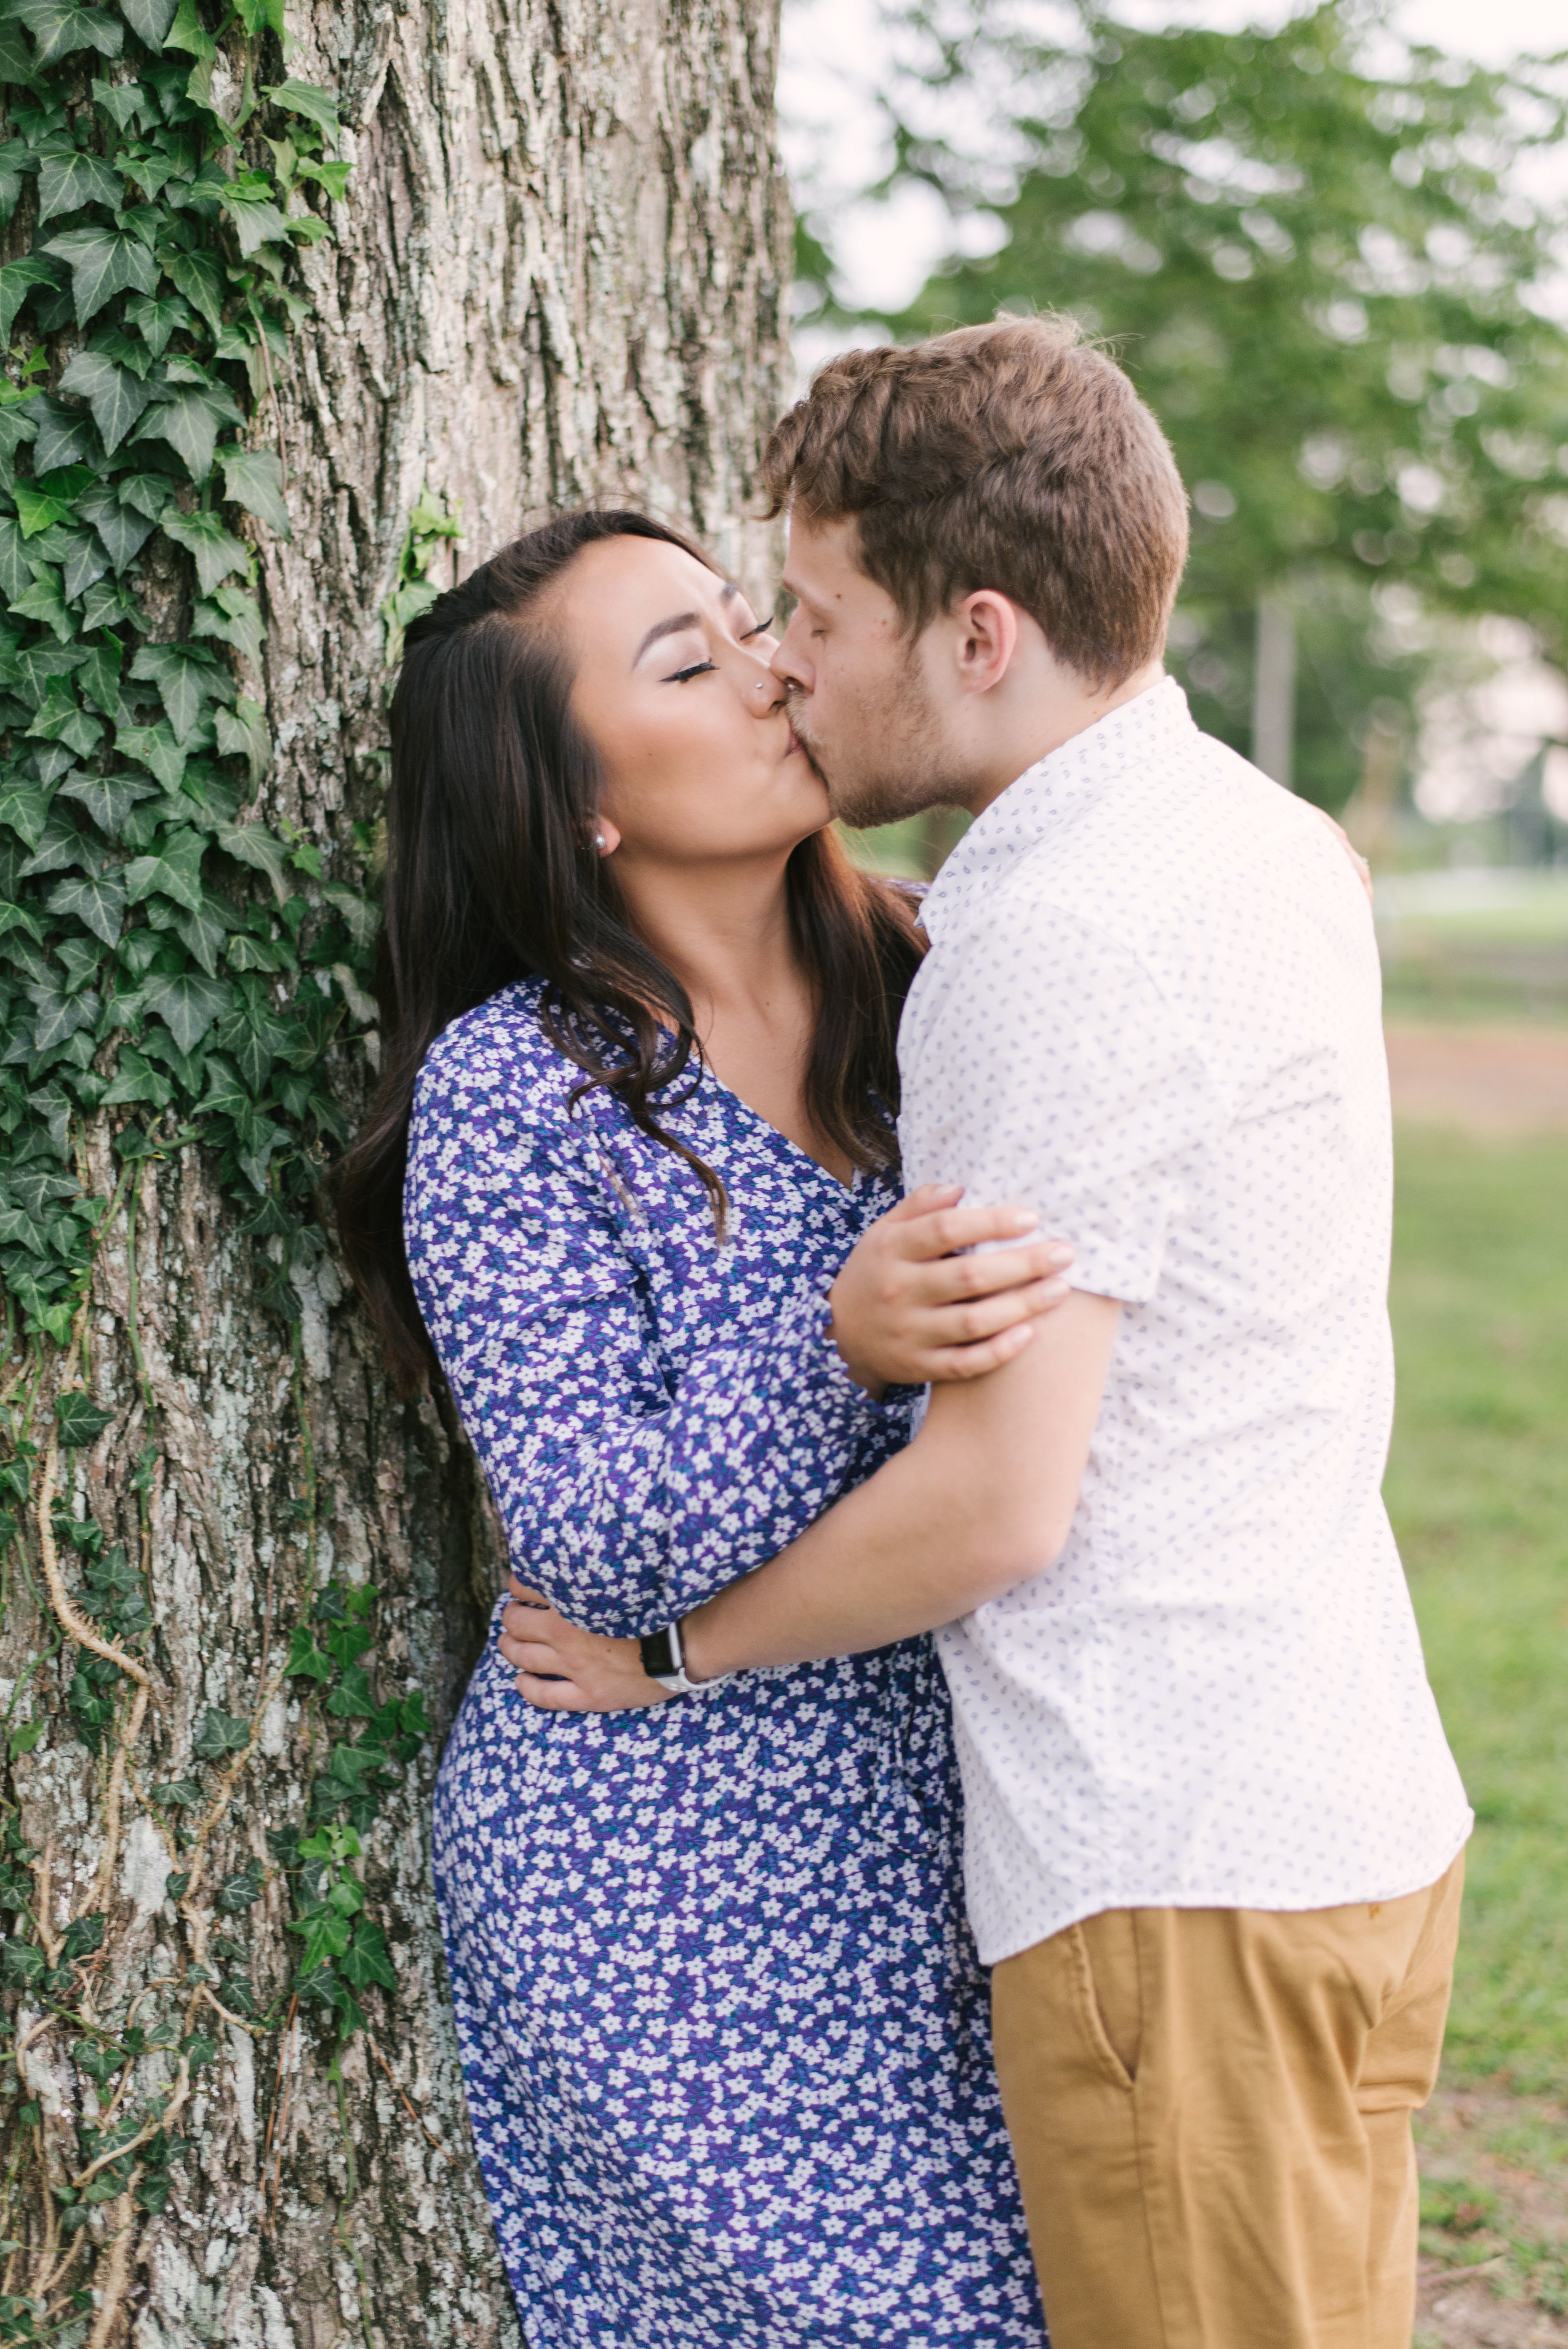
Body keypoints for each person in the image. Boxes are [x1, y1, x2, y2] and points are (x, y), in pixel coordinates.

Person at [501, 318, 1473, 2349]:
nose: (780, 656)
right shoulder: (1251, 834)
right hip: (1338, 1804)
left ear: (977, 634)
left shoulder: (1049, 936)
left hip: (1168, 1859)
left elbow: (999, 1498)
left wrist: (672, 1651)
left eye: (812, 608)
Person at [333, 508, 1073, 2346]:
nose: (765, 665)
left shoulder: (930, 985)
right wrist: (828, 1343)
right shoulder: (524, 1090)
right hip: (658, 1865)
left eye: (747, 621)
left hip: (947, 1823)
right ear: (579, 801)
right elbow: (586, 1536)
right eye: (685, 659)